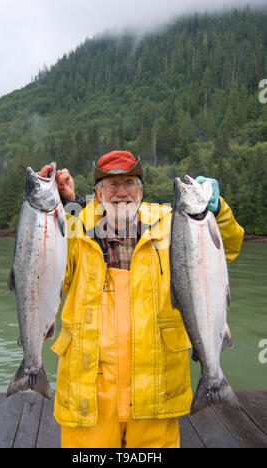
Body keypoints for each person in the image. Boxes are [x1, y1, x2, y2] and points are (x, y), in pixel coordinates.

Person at [39, 151, 244, 448]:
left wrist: (218, 209)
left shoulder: (176, 222)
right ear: (98, 193)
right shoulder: (75, 224)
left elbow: (228, 247)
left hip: (154, 388)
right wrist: (62, 204)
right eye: (112, 184)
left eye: (129, 183)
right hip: (88, 390)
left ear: (141, 190)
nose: (121, 192)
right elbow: (50, 268)